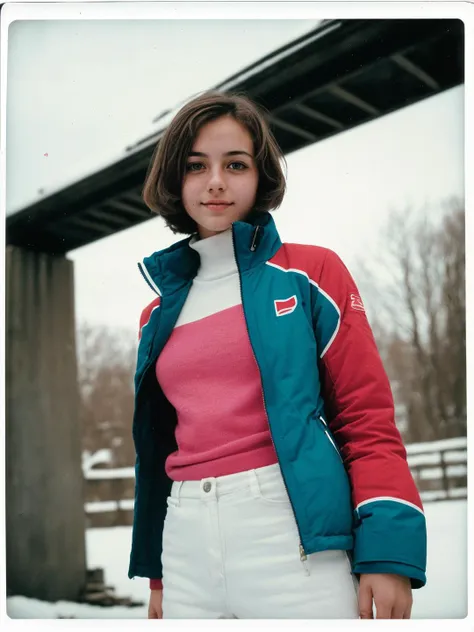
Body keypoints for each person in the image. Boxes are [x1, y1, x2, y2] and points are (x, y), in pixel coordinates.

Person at [128, 91, 427, 619]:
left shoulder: (312, 274)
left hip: (292, 538)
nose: (215, 181)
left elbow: (365, 418)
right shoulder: (156, 313)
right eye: (196, 166)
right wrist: (157, 572)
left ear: (259, 176)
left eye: (235, 164)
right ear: (175, 180)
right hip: (185, 546)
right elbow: (156, 451)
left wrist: (388, 549)